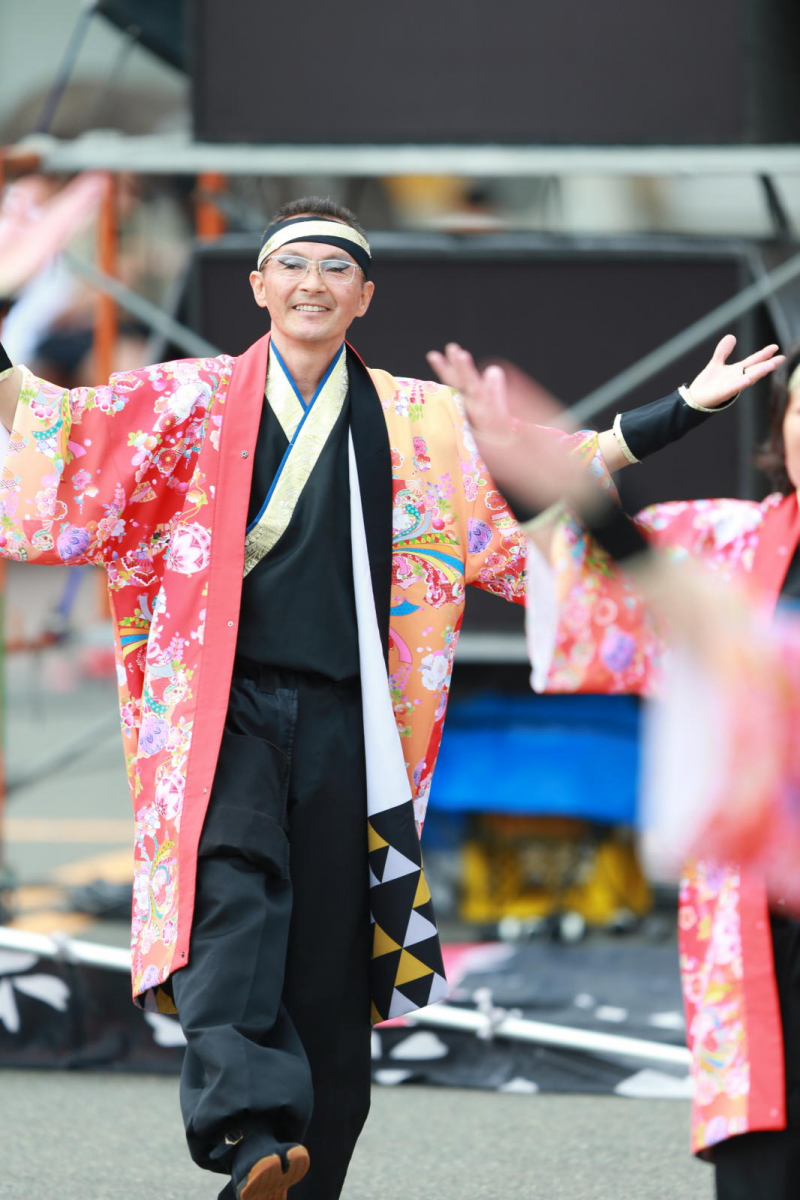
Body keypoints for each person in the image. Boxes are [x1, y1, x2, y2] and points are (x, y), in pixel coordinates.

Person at [0, 195, 534, 1200]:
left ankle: (292, 1171)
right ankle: (247, 1132)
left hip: (351, 719)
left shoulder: (417, 419)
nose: (311, 284)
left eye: (336, 268)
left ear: (363, 295)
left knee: (328, 965)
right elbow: (51, 428)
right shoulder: (189, 399)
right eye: (292, 265)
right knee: (231, 907)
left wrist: (680, 413)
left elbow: (552, 476)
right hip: (223, 711)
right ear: (258, 286)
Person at [428, 338, 799, 1200]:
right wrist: (527, 467)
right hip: (758, 908)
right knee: (765, 1160)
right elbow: (606, 564)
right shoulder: (727, 545)